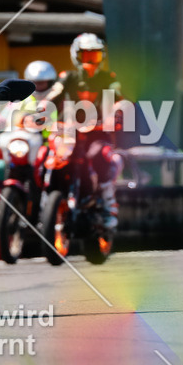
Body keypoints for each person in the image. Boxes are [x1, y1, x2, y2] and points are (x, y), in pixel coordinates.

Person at [37, 33, 121, 228]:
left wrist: (117, 112)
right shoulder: (68, 77)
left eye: (96, 56)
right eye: (86, 56)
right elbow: (55, 94)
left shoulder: (108, 78)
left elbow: (119, 98)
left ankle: (109, 206)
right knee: (44, 157)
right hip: (68, 132)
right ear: (76, 56)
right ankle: (39, 203)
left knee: (100, 155)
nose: (91, 61)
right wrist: (42, 110)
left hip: (97, 133)